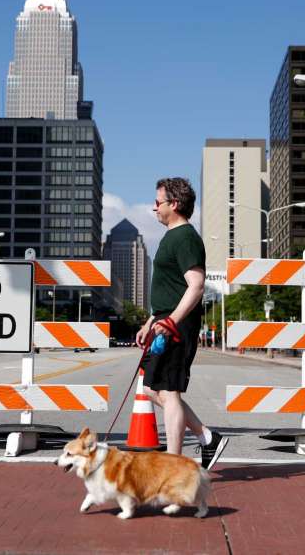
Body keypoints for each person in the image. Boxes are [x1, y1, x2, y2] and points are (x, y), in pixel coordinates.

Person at [135, 177, 228, 470]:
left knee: (169, 391)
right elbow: (172, 287)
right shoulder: (171, 237)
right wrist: (150, 321)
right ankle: (206, 437)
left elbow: (196, 285)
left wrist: (171, 321)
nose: (154, 208)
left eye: (158, 202)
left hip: (176, 326)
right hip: (164, 321)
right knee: (153, 389)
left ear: (173, 205)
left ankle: (173, 466)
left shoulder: (186, 237)